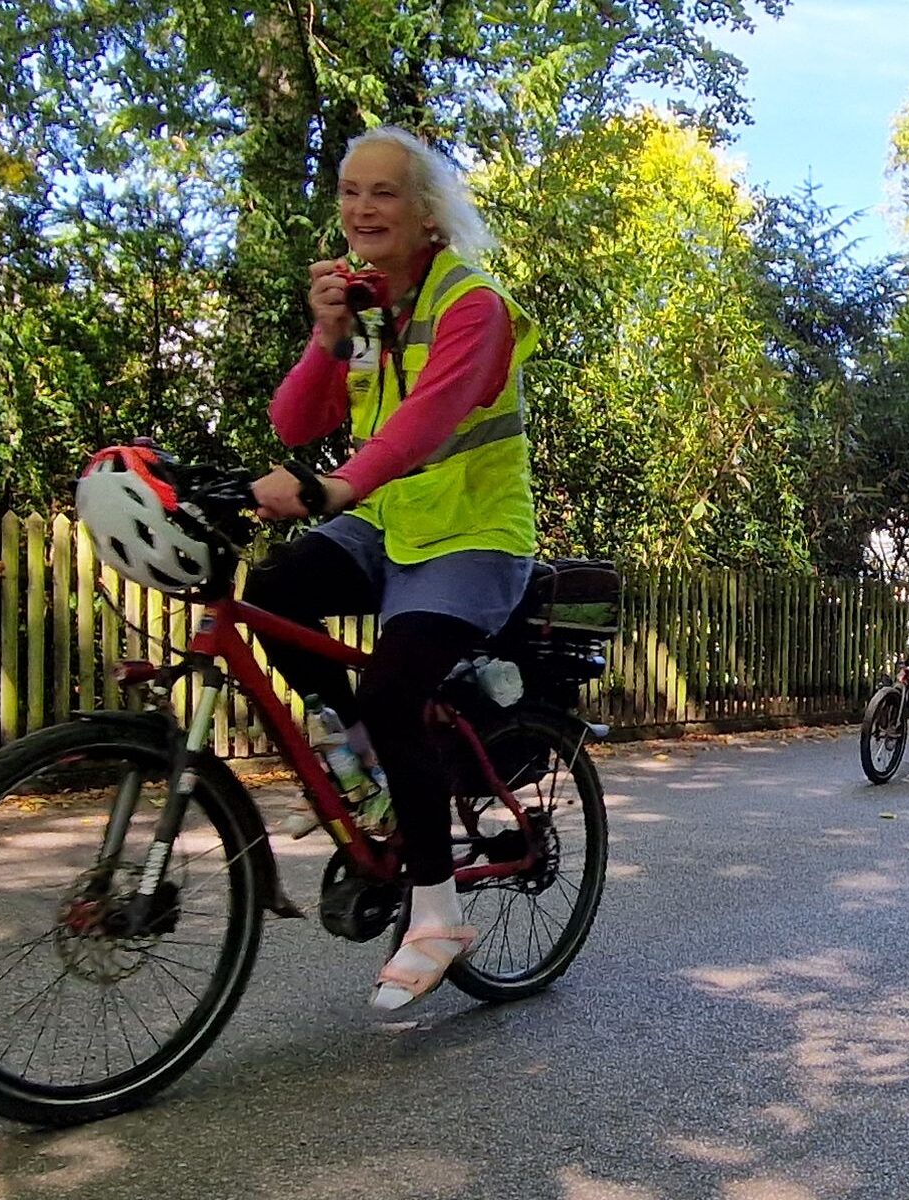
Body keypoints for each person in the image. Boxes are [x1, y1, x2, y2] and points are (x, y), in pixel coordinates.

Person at [244, 125, 539, 1011]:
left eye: (384, 193)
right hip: (389, 521)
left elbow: (428, 423)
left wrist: (336, 485)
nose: (362, 209)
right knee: (272, 598)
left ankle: (437, 913)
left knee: (392, 692)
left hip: (475, 536)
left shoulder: (472, 307)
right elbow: (297, 422)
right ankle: (359, 763)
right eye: (349, 191)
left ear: (426, 213)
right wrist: (328, 336)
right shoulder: (368, 310)